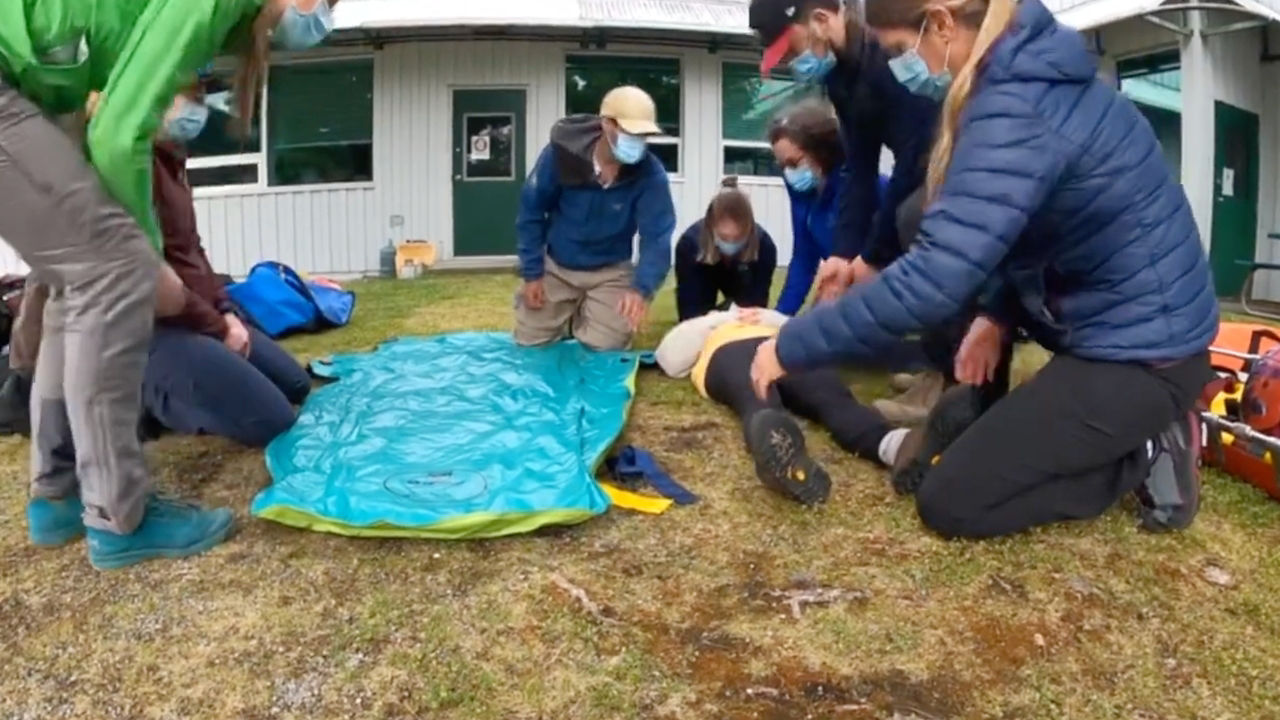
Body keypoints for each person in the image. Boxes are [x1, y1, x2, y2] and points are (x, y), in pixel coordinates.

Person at [750, 0, 1217, 540]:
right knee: (981, 458)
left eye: (903, 50)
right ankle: (1084, 422)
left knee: (954, 503)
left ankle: (1141, 445)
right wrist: (994, 317)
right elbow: (1023, 228)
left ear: (943, 22)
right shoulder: (1022, 77)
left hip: (1146, 356)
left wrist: (791, 345)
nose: (908, 69)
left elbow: (932, 278)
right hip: (1105, 330)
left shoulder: (1014, 105)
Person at [5, 0, 340, 570]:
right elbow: (115, 136)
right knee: (111, 274)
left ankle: (57, 495)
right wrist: (145, 262)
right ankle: (119, 517)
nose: (320, 15)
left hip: (28, 96)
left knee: (79, 286)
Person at [144, 90, 311, 448]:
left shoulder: (173, 162)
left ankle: (211, 373)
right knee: (276, 422)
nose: (197, 110)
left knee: (297, 385)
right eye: (186, 98)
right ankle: (153, 397)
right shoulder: (133, 167)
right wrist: (218, 329)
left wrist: (225, 310)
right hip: (157, 330)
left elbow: (192, 251)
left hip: (199, 316)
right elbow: (149, 276)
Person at [656, 305, 912, 505]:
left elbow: (802, 327)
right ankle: (783, 460)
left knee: (832, 399)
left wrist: (768, 317)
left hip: (785, 344)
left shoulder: (768, 318)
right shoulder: (705, 328)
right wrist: (718, 320)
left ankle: (899, 446)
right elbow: (669, 358)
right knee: (760, 404)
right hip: (729, 350)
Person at [515, 85, 677, 351]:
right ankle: (568, 313)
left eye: (644, 135)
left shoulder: (651, 174)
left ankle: (587, 315)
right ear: (606, 124)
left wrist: (641, 289)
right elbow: (531, 211)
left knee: (607, 346)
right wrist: (532, 272)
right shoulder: (560, 155)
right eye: (630, 132)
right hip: (557, 265)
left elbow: (657, 235)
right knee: (530, 341)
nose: (637, 141)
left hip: (611, 271)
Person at [767, 100, 890, 317]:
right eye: (782, 166)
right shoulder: (802, 194)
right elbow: (803, 259)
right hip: (840, 289)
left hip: (879, 292)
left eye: (794, 163)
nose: (788, 173)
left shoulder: (871, 188)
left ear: (822, 152)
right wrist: (779, 317)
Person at [674, 177, 778, 322]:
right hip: (702, 266)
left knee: (747, 318)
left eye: (738, 237)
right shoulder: (689, 245)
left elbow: (755, 307)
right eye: (724, 237)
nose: (731, 243)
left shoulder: (764, 247)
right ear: (711, 227)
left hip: (743, 272)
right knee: (698, 320)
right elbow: (689, 313)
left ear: (749, 229)